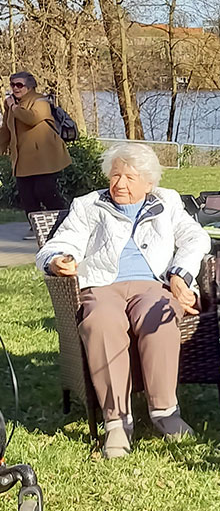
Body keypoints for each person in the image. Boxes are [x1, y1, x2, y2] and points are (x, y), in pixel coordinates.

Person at [35, 143, 208, 459]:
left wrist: (179, 275)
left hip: (152, 285)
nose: (120, 184)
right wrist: (57, 259)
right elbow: (61, 242)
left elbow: (196, 239)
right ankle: (116, 422)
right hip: (102, 286)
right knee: (102, 321)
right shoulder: (88, 205)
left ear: (148, 183)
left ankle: (165, 412)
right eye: (115, 175)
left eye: (129, 177)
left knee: (162, 313)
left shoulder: (167, 203)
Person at [0, 71, 71, 240]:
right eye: (12, 85)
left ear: (29, 86)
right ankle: (36, 227)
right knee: (26, 195)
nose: (15, 88)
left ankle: (65, 223)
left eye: (19, 85)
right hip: (22, 159)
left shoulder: (40, 101)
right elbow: (6, 130)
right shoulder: (11, 105)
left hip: (44, 158)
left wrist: (13, 107)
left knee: (45, 191)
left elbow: (31, 118)